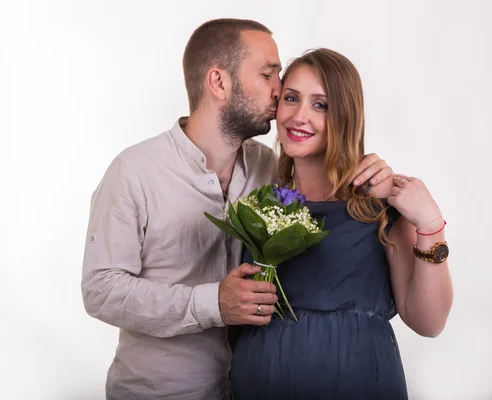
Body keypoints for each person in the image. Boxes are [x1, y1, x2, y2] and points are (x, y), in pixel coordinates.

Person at [81, 20, 394, 400]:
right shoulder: (134, 171)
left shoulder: (270, 167)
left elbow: (328, 170)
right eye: (268, 74)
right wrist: (213, 303)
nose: (281, 91)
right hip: (161, 392)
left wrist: (372, 170)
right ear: (219, 82)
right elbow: (100, 290)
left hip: (247, 387)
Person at [229, 48, 453, 399]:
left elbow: (429, 322)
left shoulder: (379, 203)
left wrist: (430, 226)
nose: (300, 116)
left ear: (345, 116)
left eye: (321, 105)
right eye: (292, 98)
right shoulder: (259, 201)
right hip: (260, 380)